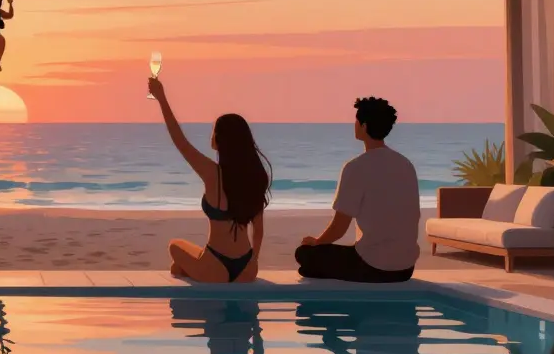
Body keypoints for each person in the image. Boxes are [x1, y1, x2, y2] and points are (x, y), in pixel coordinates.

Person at [149, 76, 270, 283]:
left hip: (216, 266)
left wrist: (161, 98)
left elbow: (180, 141)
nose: (211, 136)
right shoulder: (254, 177)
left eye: (213, 131)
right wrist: (254, 261)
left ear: (221, 139)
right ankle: (191, 269)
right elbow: (258, 230)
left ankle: (194, 271)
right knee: (178, 267)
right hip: (247, 266)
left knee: (174, 246)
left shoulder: (212, 173)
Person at [296, 97, 420, 283]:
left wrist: (317, 242)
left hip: (373, 266)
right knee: (314, 263)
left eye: (356, 120)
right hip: (405, 269)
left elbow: (339, 227)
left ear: (363, 126)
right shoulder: (406, 165)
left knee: (304, 254)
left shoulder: (356, 167)